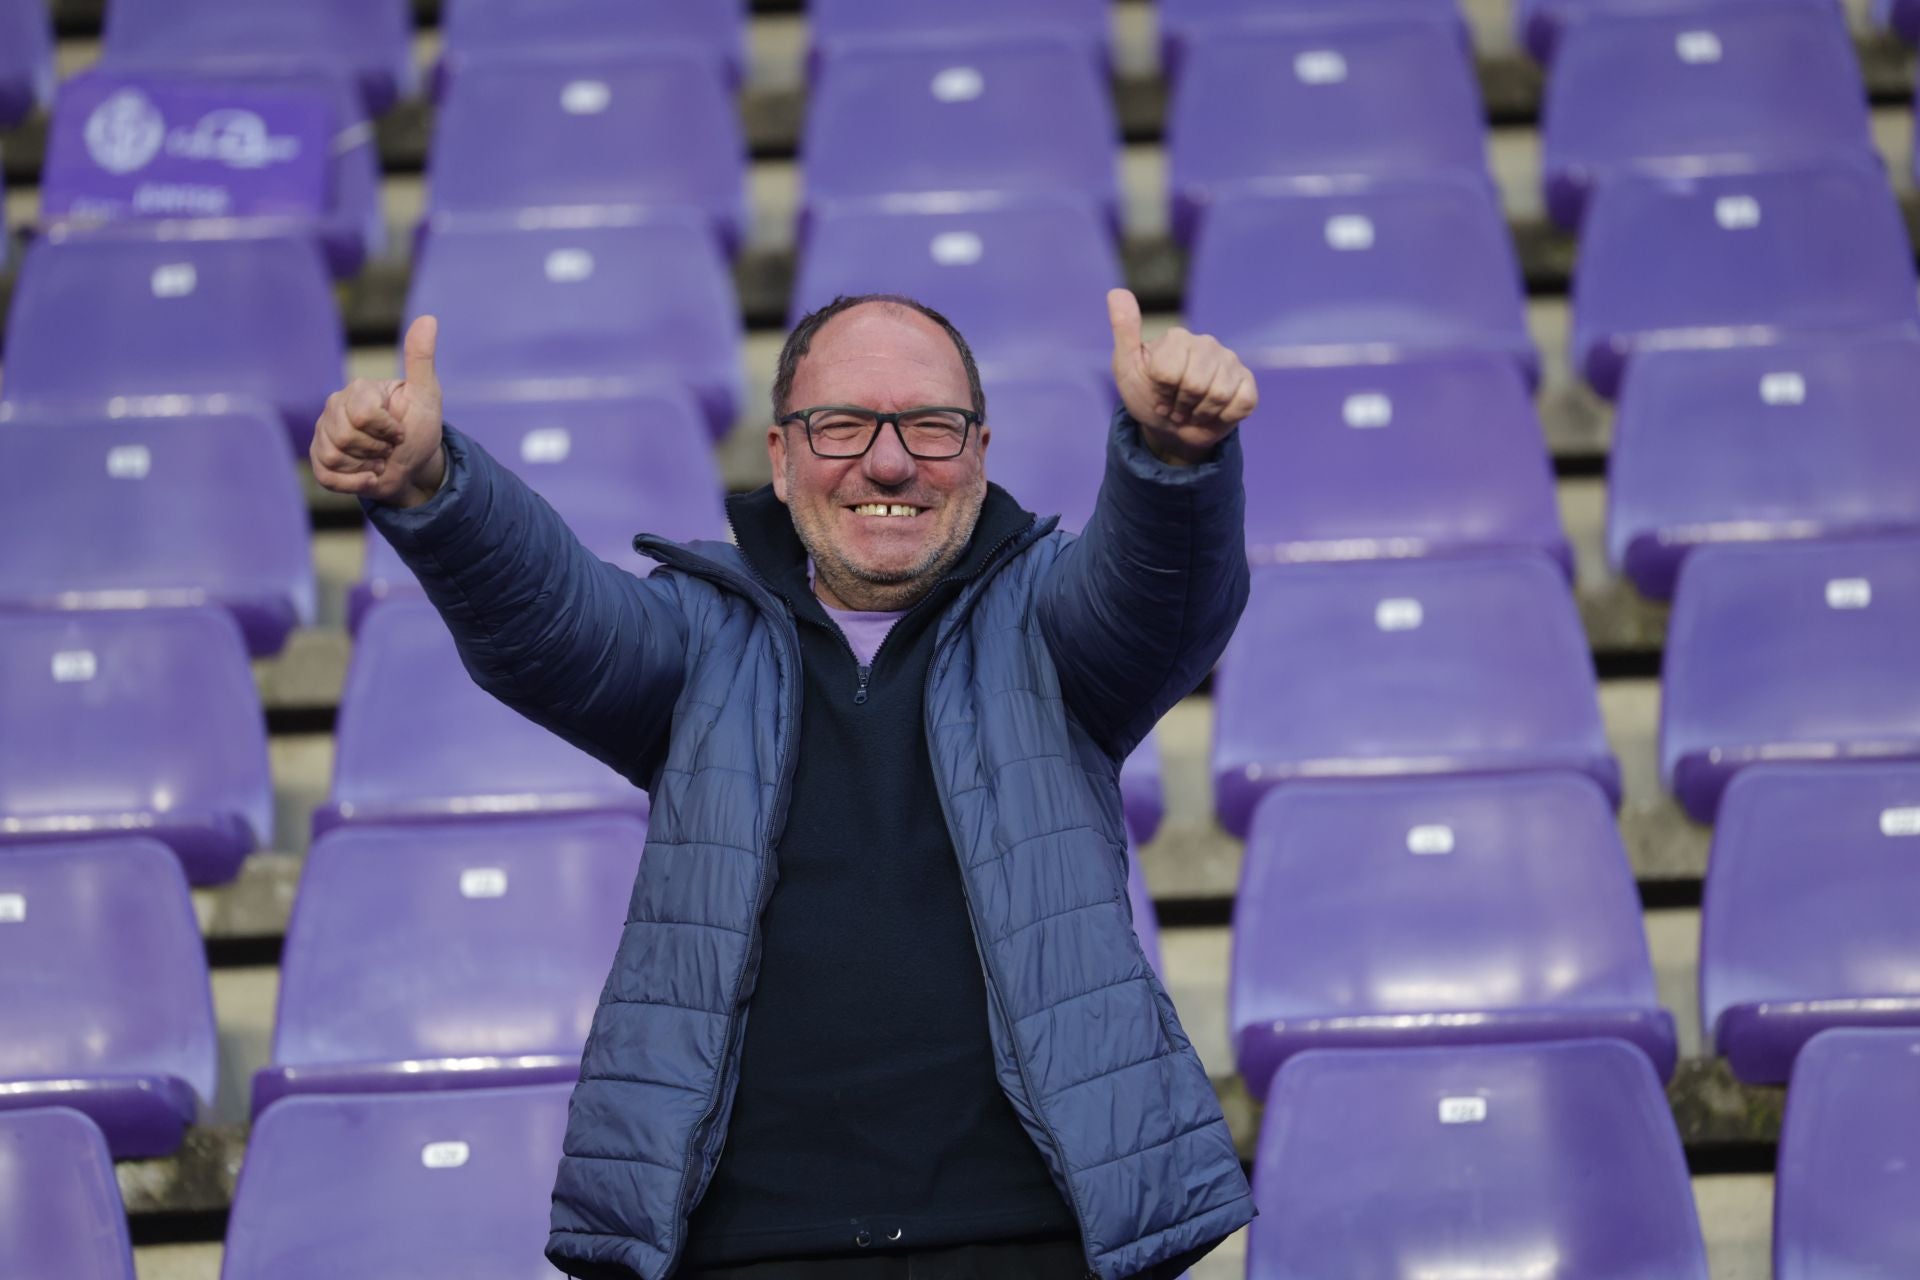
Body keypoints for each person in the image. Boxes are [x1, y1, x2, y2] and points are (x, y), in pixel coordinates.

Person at [310, 287, 1259, 1280]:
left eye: (930, 426)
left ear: (980, 450)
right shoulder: (696, 632)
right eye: (841, 424)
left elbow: (1161, 596)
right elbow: (551, 620)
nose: (887, 460)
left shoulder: (1051, 620)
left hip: (1034, 1231)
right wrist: (433, 492)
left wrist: (1175, 463)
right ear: (779, 453)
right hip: (747, 1242)